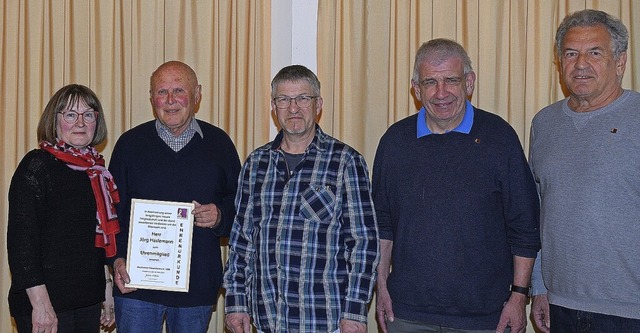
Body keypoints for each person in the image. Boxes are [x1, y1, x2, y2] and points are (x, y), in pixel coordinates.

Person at [372, 39, 540, 333]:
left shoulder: (499, 138)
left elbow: (524, 226)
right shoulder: (394, 142)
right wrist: (381, 285)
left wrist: (519, 296)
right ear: (415, 88)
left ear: (469, 82)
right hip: (408, 314)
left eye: (451, 80)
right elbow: (382, 224)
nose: (441, 93)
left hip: (486, 318)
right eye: (430, 82)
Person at [223, 65, 380, 333]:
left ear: (318, 104)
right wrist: (236, 303)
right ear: (274, 107)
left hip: (324, 321)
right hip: (265, 320)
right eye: (284, 99)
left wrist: (355, 311)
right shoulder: (256, 163)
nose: (293, 108)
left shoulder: (345, 162)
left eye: (302, 99)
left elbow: (363, 243)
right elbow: (241, 242)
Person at [108, 61, 241, 332]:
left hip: (196, 287)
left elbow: (242, 207)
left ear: (197, 95)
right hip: (137, 287)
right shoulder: (129, 145)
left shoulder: (220, 144)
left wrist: (220, 216)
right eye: (161, 92)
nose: (170, 100)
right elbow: (112, 213)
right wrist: (116, 259)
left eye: (179, 90)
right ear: (151, 97)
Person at [529, 9, 640, 332]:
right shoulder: (544, 124)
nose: (580, 64)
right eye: (570, 53)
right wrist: (539, 287)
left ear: (620, 62)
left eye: (594, 53)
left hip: (631, 311)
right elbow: (537, 211)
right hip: (560, 305)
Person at [7, 84, 118, 332]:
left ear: (96, 122)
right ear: (54, 121)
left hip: (88, 300)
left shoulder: (97, 172)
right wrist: (41, 305)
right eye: (70, 114)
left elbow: (96, 240)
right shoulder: (36, 166)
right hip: (46, 303)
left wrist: (106, 287)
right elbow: (21, 244)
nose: (80, 122)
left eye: (88, 114)